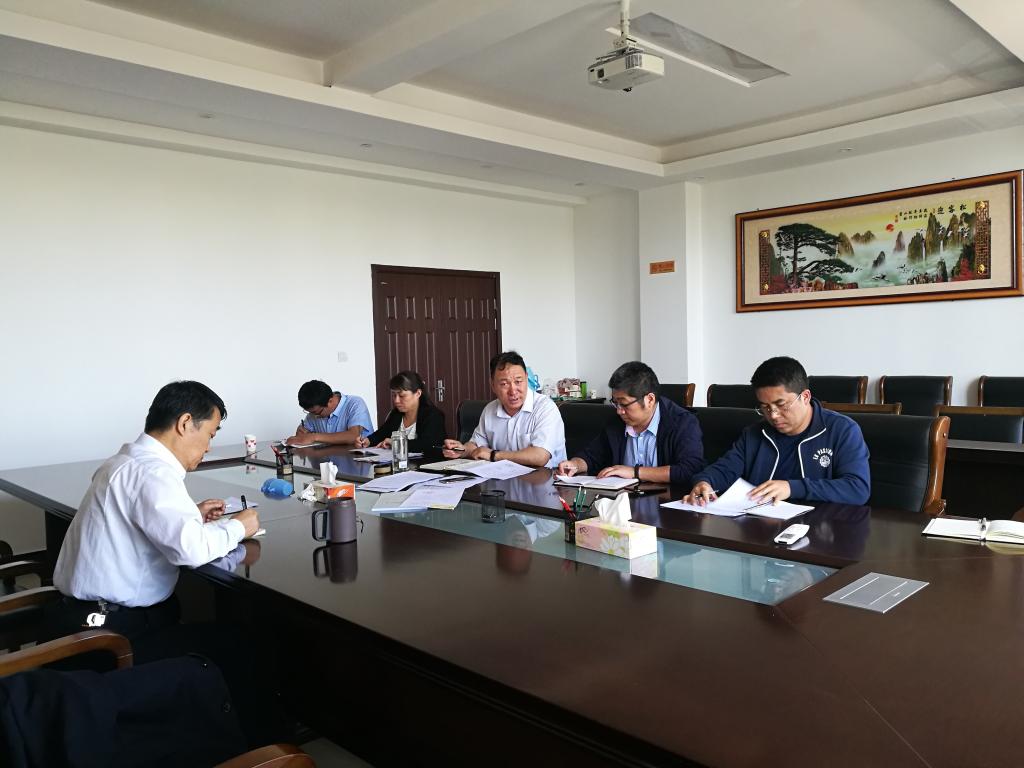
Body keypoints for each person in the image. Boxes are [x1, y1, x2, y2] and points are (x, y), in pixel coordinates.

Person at [49, 380, 260, 643]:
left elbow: (133, 517)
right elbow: (191, 551)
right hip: (113, 634)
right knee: (242, 641)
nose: (208, 447)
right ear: (185, 423)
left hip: (81, 619)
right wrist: (239, 526)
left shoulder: (123, 461)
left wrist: (191, 514)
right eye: (210, 434)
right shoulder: (154, 473)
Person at [684, 357, 870, 506]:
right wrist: (704, 482)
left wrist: (791, 488)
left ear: (805, 397)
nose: (773, 415)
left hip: (821, 529)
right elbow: (724, 469)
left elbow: (857, 489)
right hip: (761, 527)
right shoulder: (754, 433)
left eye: (781, 405)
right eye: (765, 407)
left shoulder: (843, 430)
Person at [557, 361, 704, 485]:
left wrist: (635, 472)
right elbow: (592, 456)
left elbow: (690, 470)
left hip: (667, 503)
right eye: (615, 403)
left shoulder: (682, 423)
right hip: (625, 501)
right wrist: (576, 464)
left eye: (624, 404)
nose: (619, 411)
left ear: (649, 400)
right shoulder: (618, 422)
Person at [442, 351, 566, 468]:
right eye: (504, 384)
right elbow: (476, 446)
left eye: (518, 381)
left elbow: (540, 457)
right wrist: (462, 450)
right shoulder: (490, 410)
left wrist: (494, 455)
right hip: (503, 479)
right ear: (493, 385)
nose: (513, 391)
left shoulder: (545, 408)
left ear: (526, 378)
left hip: (545, 479)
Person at [356, 370, 446, 453]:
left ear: (418, 393)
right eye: (394, 395)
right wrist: (367, 441)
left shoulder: (433, 416)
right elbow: (381, 433)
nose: (396, 401)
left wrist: (396, 443)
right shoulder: (396, 414)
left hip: (426, 464)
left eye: (402, 396)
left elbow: (428, 444)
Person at [287, 379, 373, 446]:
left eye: (316, 413)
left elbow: (353, 436)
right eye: (309, 412)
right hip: (329, 459)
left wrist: (314, 437)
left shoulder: (355, 403)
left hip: (360, 459)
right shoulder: (314, 411)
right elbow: (304, 434)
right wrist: (301, 436)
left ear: (330, 401)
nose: (313, 416)